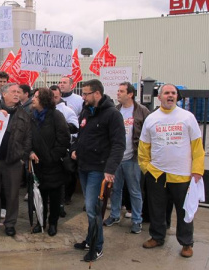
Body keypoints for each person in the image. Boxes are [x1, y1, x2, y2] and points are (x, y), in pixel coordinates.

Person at [138, 84, 205, 258]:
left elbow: (197, 147)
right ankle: (157, 237)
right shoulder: (151, 119)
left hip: (182, 175)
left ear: (177, 97)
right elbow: (143, 147)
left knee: (184, 212)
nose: (170, 96)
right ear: (159, 97)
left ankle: (186, 243)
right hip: (157, 174)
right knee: (156, 209)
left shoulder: (187, 117)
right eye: (167, 93)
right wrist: (146, 168)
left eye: (173, 93)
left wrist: (197, 171)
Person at [71, 79, 125, 262]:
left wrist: (110, 169)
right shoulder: (86, 111)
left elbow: (119, 144)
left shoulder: (112, 115)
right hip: (84, 166)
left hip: (98, 169)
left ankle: (97, 246)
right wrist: (74, 150)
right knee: (90, 208)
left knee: (94, 210)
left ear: (97, 93)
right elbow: (81, 135)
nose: (83, 97)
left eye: (86, 93)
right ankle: (90, 240)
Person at [0, 83, 32, 236]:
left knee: (12, 194)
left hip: (14, 161)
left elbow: (28, 138)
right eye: (13, 92)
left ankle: (10, 224)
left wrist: (23, 157)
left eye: (19, 92)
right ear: (4, 94)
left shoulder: (24, 114)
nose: (17, 94)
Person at [103, 82, 150, 234]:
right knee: (115, 189)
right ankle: (115, 215)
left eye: (121, 91)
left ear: (130, 94)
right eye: (118, 91)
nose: (118, 93)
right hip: (116, 158)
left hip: (133, 158)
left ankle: (137, 220)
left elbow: (148, 133)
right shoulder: (115, 110)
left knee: (134, 190)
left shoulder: (142, 111)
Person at [29, 87, 70, 236]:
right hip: (37, 164)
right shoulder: (31, 116)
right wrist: (30, 152)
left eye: (36, 97)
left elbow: (64, 138)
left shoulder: (56, 116)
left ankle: (53, 223)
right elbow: (27, 138)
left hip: (53, 165)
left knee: (53, 197)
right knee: (39, 196)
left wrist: (53, 156)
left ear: (44, 100)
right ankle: (40, 223)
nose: (33, 99)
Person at [50, 85, 78, 218]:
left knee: (60, 180)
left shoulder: (66, 111)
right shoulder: (43, 110)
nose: (54, 99)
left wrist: (61, 126)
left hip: (61, 150)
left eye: (56, 96)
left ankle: (60, 205)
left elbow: (75, 128)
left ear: (60, 96)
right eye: (51, 96)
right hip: (46, 151)